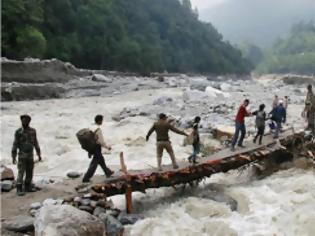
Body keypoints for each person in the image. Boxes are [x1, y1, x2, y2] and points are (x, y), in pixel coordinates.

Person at [12, 115, 42, 196]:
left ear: (29, 121)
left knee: (30, 170)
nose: (24, 122)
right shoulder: (18, 132)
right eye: (23, 120)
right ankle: (19, 187)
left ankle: (28, 186)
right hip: (22, 154)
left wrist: (39, 154)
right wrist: (13, 156)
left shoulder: (33, 131)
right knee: (21, 171)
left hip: (30, 154)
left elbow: (36, 143)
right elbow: (15, 144)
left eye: (26, 120)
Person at [82, 115, 114, 183]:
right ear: (99, 120)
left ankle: (107, 172)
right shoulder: (98, 129)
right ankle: (86, 178)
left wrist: (89, 151)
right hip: (96, 147)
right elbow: (101, 141)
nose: (102, 122)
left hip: (91, 147)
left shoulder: (90, 127)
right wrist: (108, 147)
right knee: (94, 164)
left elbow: (89, 140)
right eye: (102, 120)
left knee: (101, 159)